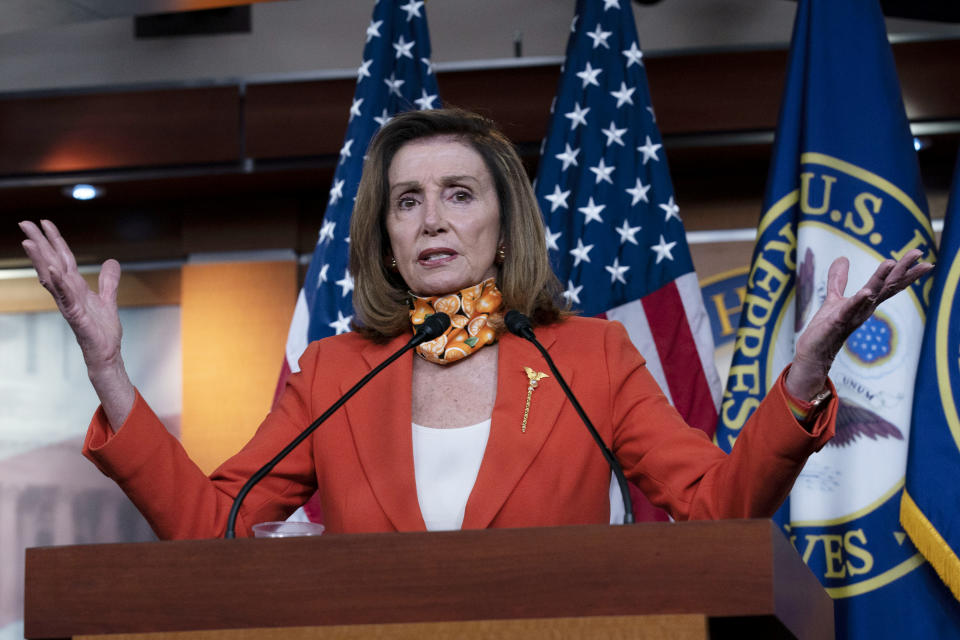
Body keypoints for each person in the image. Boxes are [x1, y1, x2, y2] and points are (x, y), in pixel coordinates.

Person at [19, 109, 931, 539]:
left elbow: (718, 505)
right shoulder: (335, 372)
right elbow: (213, 529)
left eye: (459, 194)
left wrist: (806, 374)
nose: (433, 219)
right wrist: (110, 376)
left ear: (504, 225)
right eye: (407, 201)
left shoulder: (590, 357)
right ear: (386, 233)